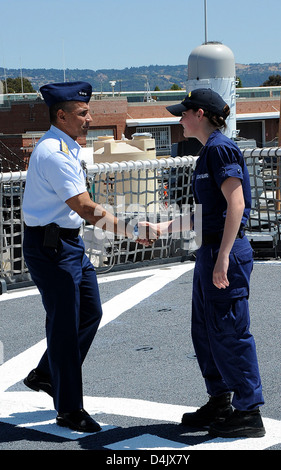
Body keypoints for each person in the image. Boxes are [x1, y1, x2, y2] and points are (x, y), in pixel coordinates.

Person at [22, 81, 157, 433]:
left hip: (68, 244)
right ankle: (69, 409)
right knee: (64, 327)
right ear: (62, 115)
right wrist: (131, 228)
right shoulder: (54, 153)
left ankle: (47, 373)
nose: (89, 118)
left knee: (90, 313)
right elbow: (84, 207)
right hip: (51, 249)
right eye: (82, 113)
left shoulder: (68, 148)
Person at [152, 88, 265, 438]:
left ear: (199, 114)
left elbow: (237, 204)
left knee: (230, 332)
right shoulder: (207, 153)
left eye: (183, 113)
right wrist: (161, 227)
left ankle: (248, 411)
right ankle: (220, 400)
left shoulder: (220, 149)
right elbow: (204, 215)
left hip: (222, 252)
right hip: (210, 250)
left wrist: (224, 256)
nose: (180, 119)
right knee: (205, 332)